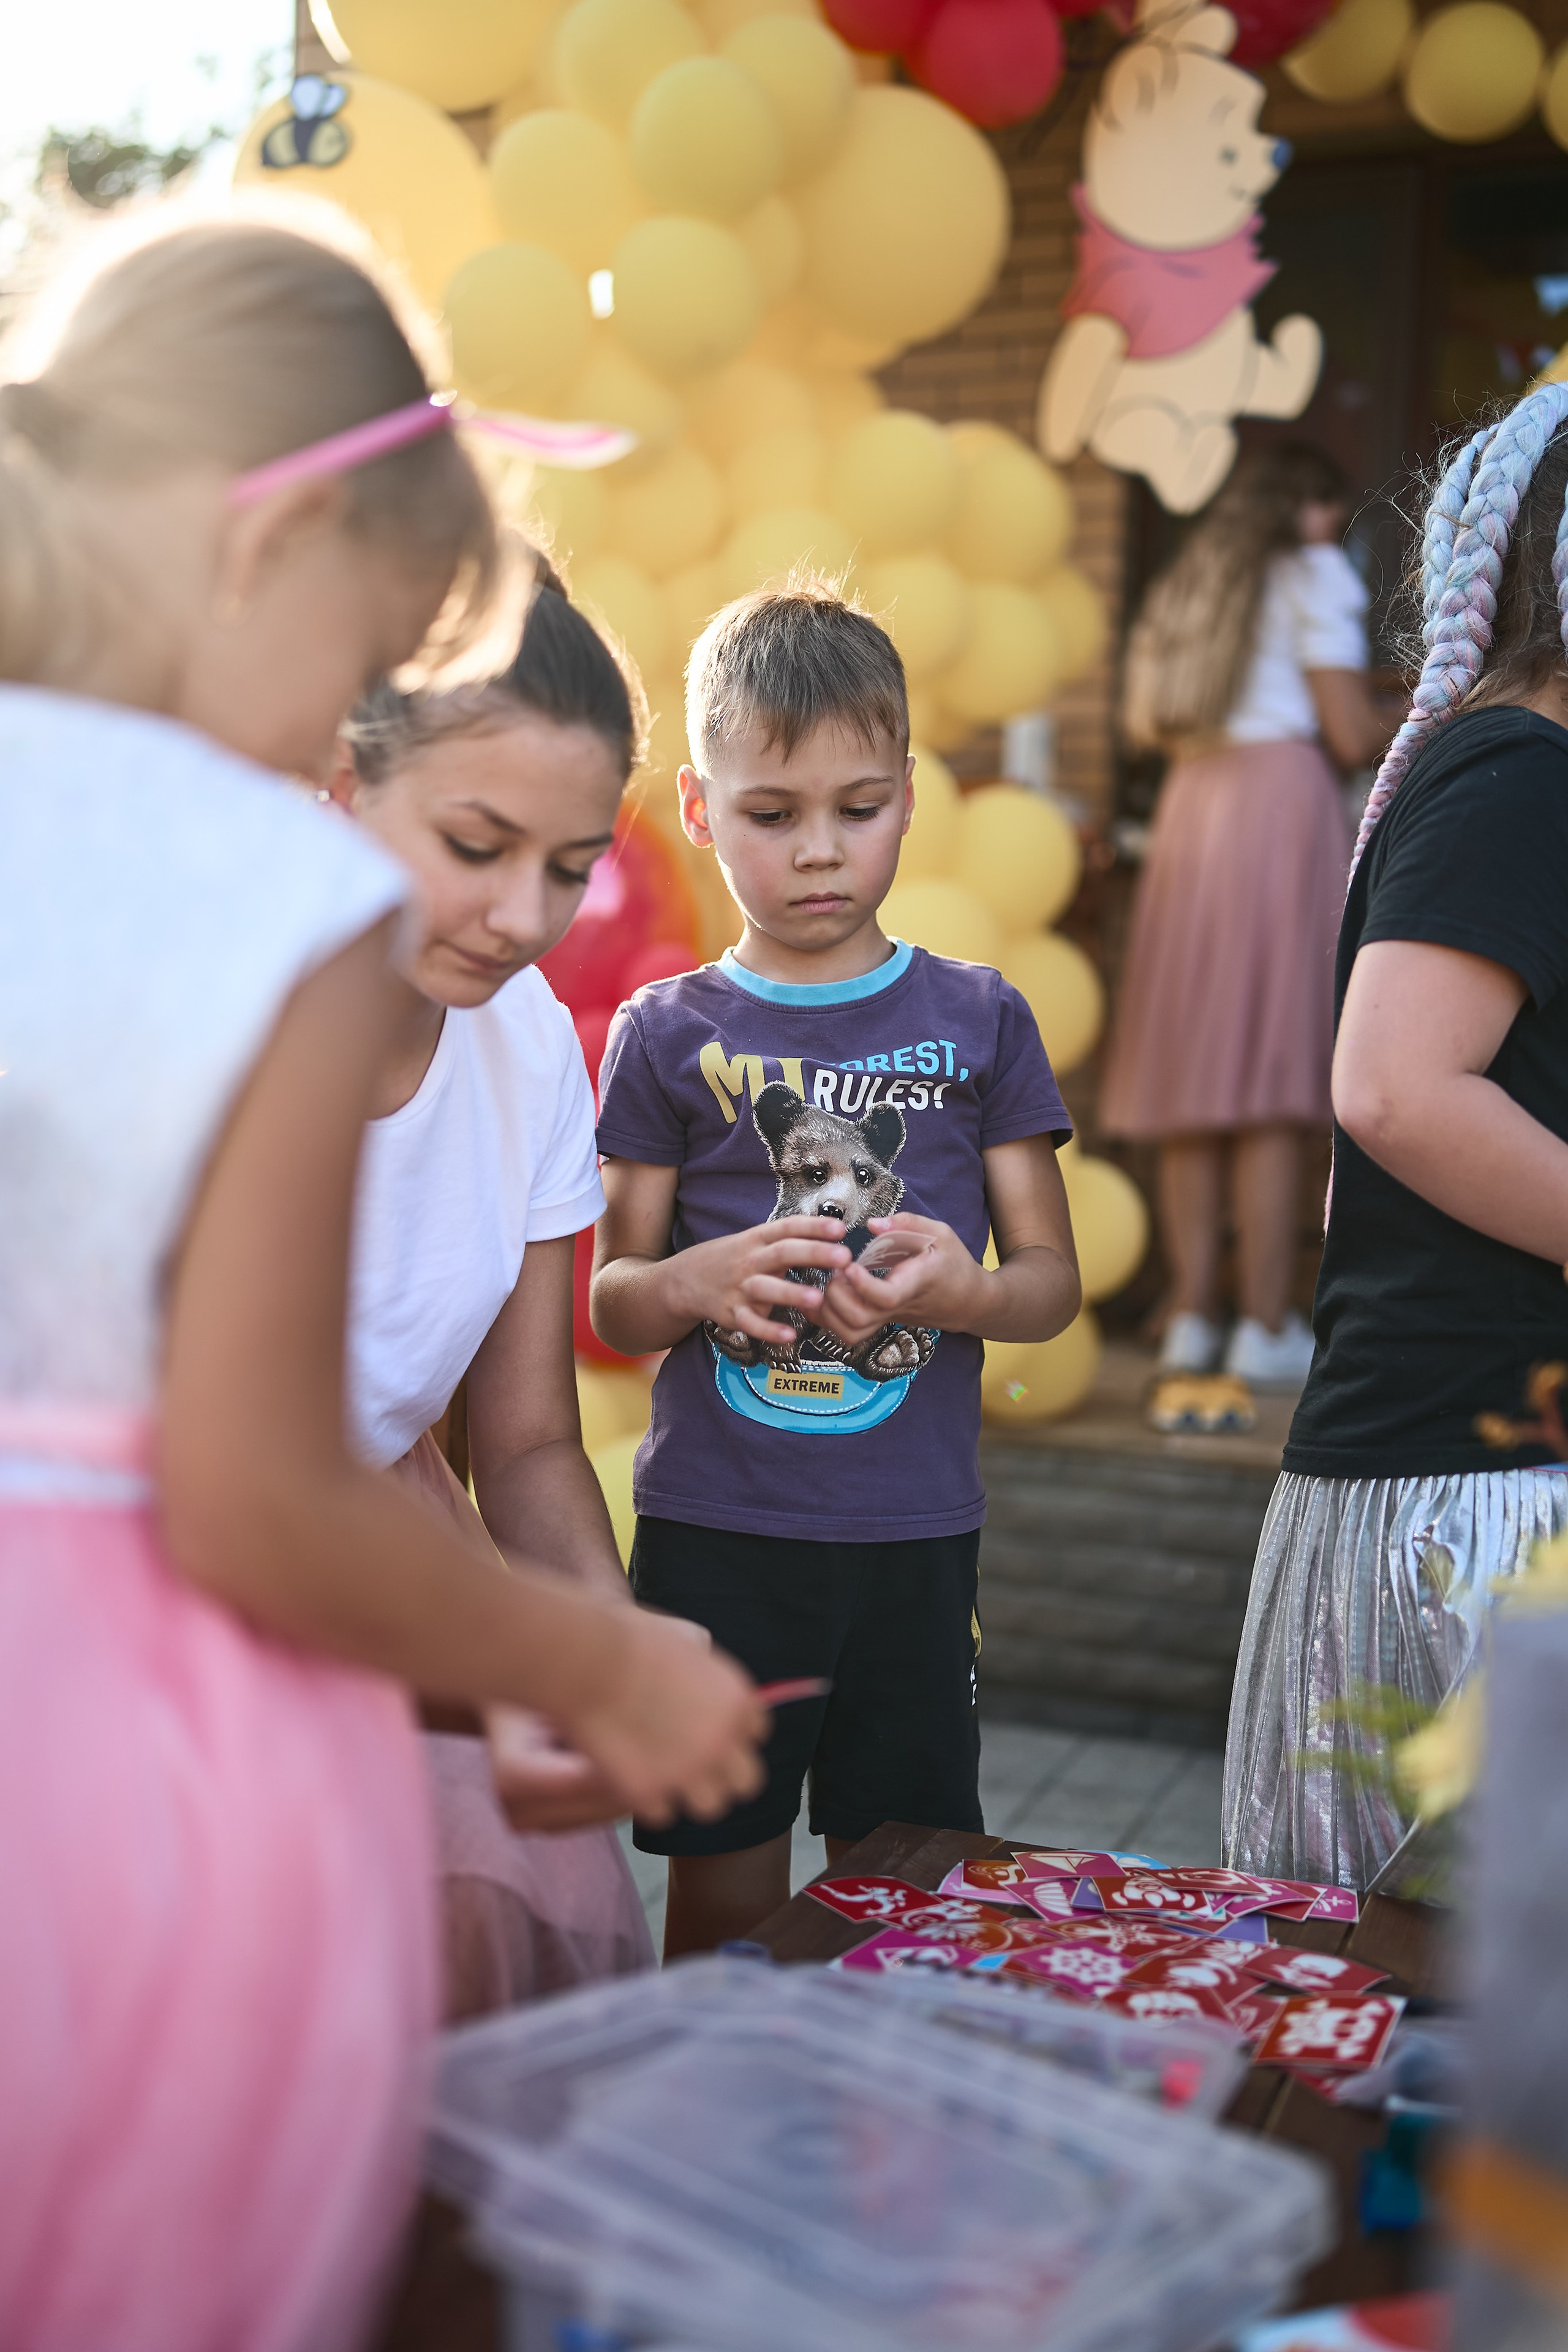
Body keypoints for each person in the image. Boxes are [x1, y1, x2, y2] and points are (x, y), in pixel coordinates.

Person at [0, 216, 764, 2352]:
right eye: (376, 636)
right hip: (118, 1787)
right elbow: (257, 1499)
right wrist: (602, 1673)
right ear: (277, 550)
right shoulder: (272, 895)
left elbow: (502, 1439)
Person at [590, 581, 1081, 1958]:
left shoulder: (982, 1018)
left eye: (855, 810)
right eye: (770, 815)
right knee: (728, 1887)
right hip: (716, 1535)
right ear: (698, 809)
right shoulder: (661, 1031)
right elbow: (611, 1298)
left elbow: (1047, 1278)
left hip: (913, 1535)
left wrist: (966, 1293)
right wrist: (699, 1280)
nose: (818, 853)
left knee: (908, 1886)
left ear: (910, 796)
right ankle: (721, 2146)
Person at [1224, 383, 1568, 1890]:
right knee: (1410, 2026)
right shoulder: (1517, 778)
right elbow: (1395, 1091)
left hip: (1483, 1479)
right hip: (1461, 1508)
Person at [329, 570, 656, 2017]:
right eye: (479, 845)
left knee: (547, 1879)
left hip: (396, 1524)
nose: (528, 918)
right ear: (344, 786)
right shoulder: (228, 1014)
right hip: (178, 1552)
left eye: (574, 866)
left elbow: (520, 1440)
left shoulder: (524, 1041)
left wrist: (600, 1639)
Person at [1101, 442, 1391, 1390]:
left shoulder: (1195, 578)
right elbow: (1349, 732)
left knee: (1198, 1088)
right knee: (1268, 1088)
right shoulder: (1310, 573)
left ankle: (1192, 1317)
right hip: (1278, 813)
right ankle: (1265, 1324)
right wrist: (1453, 711)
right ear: (1302, 508)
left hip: (1195, 814)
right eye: (1328, 512)